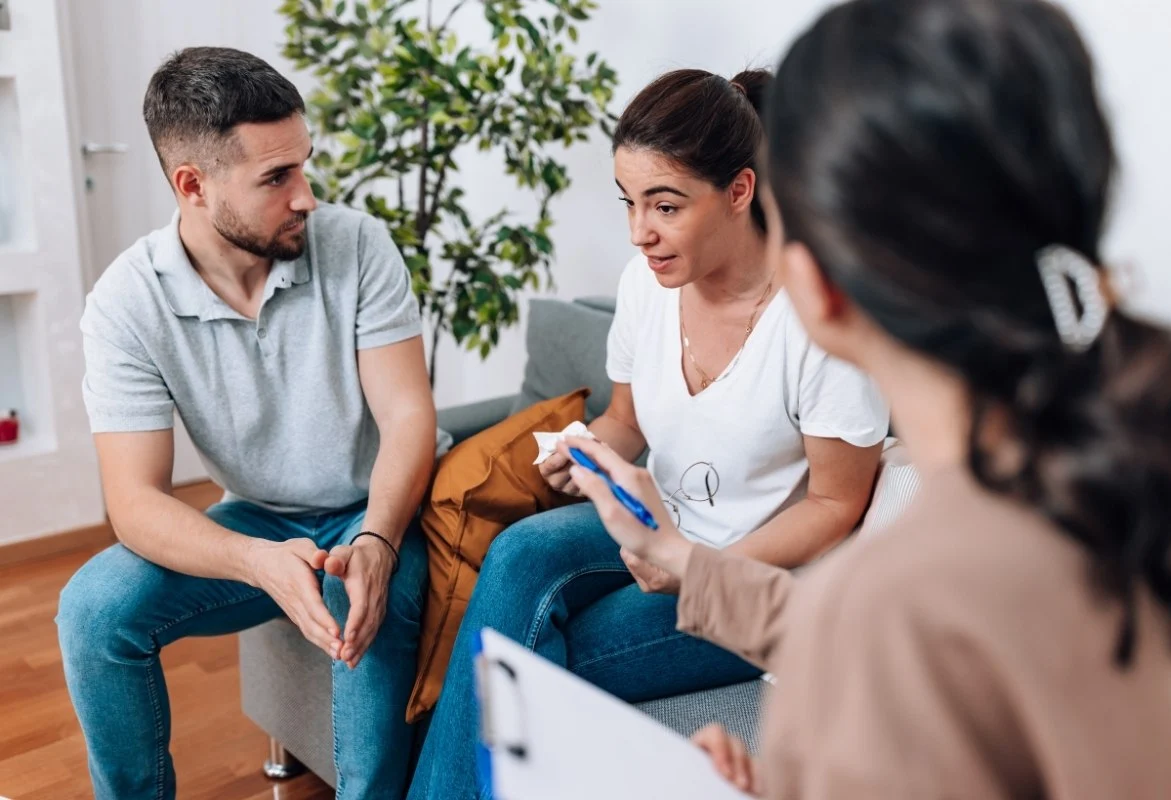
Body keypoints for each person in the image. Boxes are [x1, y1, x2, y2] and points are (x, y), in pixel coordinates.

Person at [569, 0, 1171, 797]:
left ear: (818, 282)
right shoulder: (1143, 462)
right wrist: (685, 561)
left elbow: (893, 640)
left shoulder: (899, 604)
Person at [408, 68, 889, 799]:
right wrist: (588, 455)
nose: (641, 233)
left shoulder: (816, 321)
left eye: (665, 206)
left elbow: (837, 506)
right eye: (630, 203)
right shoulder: (647, 285)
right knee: (517, 553)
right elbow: (627, 422)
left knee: (518, 663)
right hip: (652, 519)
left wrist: (695, 566)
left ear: (740, 190)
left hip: (750, 580)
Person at [55, 47, 436, 800]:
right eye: (276, 178)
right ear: (192, 186)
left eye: (304, 165)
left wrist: (378, 540)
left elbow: (407, 414)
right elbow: (133, 501)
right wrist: (255, 560)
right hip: (260, 521)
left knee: (367, 667)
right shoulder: (127, 303)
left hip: (378, 512)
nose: (307, 197)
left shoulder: (356, 245)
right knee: (92, 612)